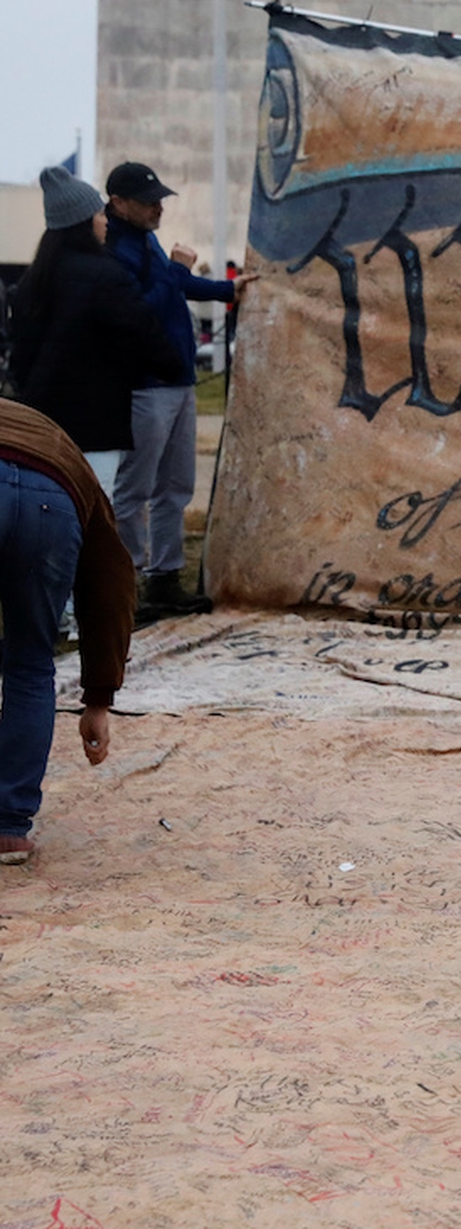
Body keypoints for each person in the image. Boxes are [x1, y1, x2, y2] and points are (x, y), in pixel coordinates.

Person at [102, 161, 254, 620]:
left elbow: (175, 287)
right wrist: (174, 269)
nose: (158, 208)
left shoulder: (141, 239)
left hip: (176, 381)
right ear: (119, 203)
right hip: (144, 385)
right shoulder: (111, 250)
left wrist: (227, 290)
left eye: (159, 199)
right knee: (135, 488)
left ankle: (164, 577)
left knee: (175, 486)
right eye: (149, 202)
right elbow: (141, 310)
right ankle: (125, 580)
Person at [0, 398, 138, 864]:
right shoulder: (61, 447)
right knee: (31, 662)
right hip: (53, 503)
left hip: (57, 488)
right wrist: (99, 698)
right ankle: (8, 829)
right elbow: (111, 583)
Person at [9, 167, 176, 504]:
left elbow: (20, 361)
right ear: (83, 222)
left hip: (41, 426)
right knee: (92, 516)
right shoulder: (106, 276)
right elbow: (148, 339)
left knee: (50, 512)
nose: (106, 222)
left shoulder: (31, 283)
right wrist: (166, 366)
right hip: (97, 428)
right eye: (100, 214)